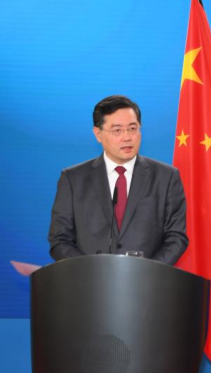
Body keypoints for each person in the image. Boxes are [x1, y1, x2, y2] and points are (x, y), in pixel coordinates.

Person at [48, 95, 189, 264]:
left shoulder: (166, 177)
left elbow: (176, 237)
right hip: (89, 285)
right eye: (117, 131)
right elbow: (59, 240)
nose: (127, 137)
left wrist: (149, 272)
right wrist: (90, 270)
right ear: (98, 134)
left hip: (148, 285)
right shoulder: (73, 179)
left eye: (132, 128)